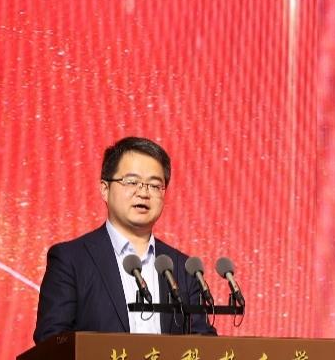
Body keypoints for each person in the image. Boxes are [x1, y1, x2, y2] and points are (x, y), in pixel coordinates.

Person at [33, 136, 216, 343]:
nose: (143, 193)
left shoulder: (183, 268)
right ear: (105, 189)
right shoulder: (71, 260)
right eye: (131, 182)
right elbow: (51, 341)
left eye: (154, 185)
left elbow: (204, 344)